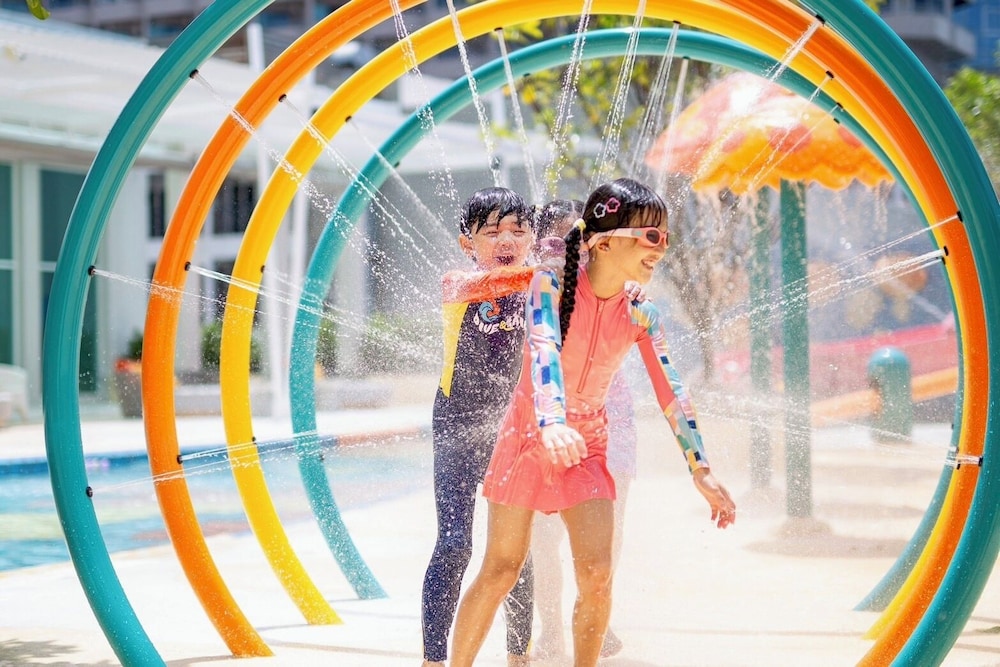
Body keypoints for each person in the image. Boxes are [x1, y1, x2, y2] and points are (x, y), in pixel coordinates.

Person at [450, 177, 737, 667]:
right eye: (650, 236)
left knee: (598, 575)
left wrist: (701, 468)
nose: (661, 248)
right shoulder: (551, 284)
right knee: (501, 569)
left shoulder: (641, 312)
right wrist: (552, 422)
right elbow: (543, 348)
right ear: (604, 242)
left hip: (586, 443)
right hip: (528, 435)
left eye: (665, 237)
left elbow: (672, 390)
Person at [420, 186, 538, 667]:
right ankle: (433, 660)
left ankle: (518, 656)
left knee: (514, 551)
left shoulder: (540, 289)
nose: (506, 240)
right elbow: (512, 282)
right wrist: (559, 272)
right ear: (467, 242)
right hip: (456, 423)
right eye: (491, 232)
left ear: (532, 238)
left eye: (518, 230)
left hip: (514, 427)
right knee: (455, 544)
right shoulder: (459, 285)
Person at [530, 199, 638, 660]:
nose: (568, 247)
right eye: (555, 240)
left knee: (607, 532)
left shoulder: (616, 286)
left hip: (611, 421)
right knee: (543, 538)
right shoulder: (537, 287)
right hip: (549, 422)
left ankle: (596, 617)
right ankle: (552, 627)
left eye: (576, 238)